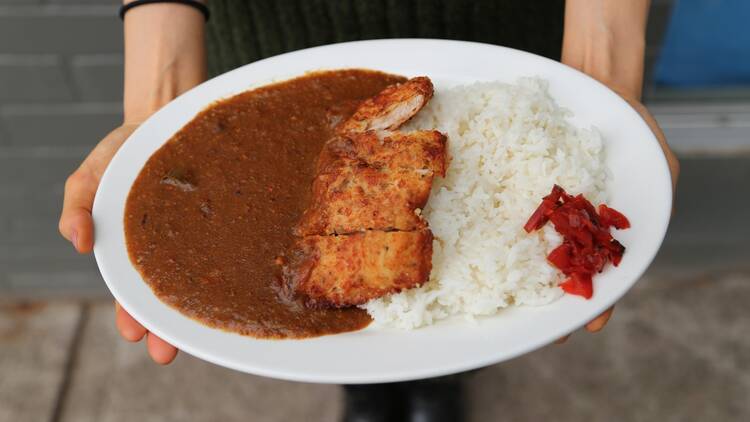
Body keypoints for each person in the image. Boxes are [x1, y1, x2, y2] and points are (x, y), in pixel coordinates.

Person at [59, 1, 680, 421]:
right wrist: (157, 110)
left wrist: (600, 80)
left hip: (509, 30)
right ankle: (368, 388)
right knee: (355, 309)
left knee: (420, 308)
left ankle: (438, 383)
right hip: (274, 32)